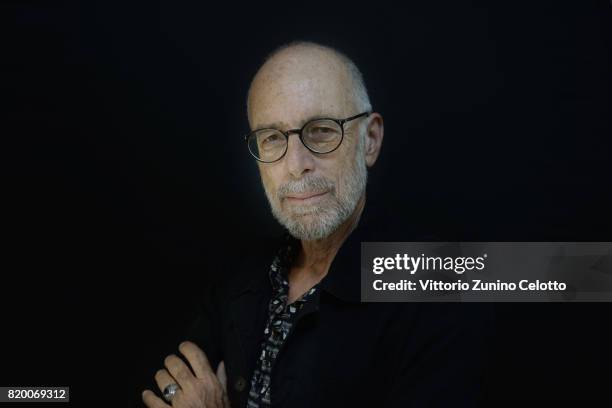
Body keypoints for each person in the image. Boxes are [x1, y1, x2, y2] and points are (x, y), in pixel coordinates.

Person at [142, 41, 492, 408]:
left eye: (322, 130)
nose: (296, 164)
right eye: (273, 137)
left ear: (369, 140)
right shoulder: (237, 279)